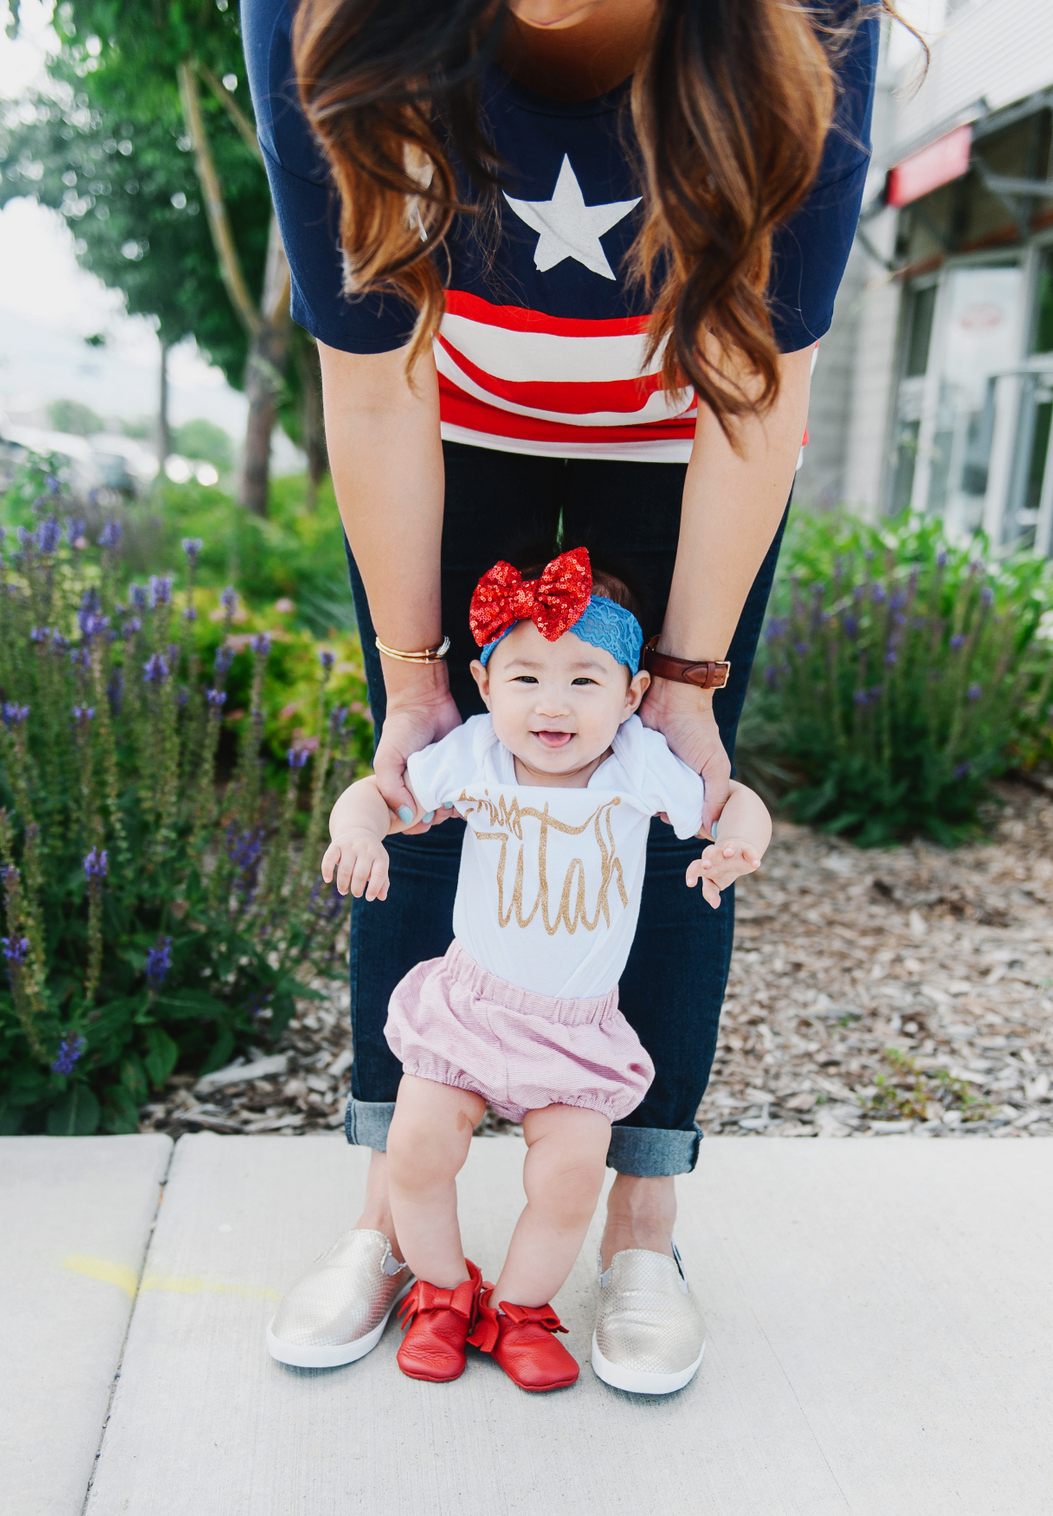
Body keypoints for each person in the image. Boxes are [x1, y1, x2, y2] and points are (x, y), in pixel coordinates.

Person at [245, 0, 885, 1390]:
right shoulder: (316, 16)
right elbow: (364, 389)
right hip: (441, 415)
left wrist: (692, 681)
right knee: (425, 785)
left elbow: (761, 395)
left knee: (665, 804)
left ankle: (639, 1221)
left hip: (685, 428)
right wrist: (417, 683)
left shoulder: (807, 19)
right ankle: (388, 1220)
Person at [315, 549, 771, 1393]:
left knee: (565, 1181)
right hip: (470, 1010)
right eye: (525, 678)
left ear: (633, 696)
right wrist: (357, 832)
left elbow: (730, 798)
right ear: (484, 685)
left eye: (584, 682)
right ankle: (443, 1294)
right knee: (418, 1149)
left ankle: (520, 1309)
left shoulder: (640, 764)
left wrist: (742, 842)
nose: (550, 705)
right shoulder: (476, 752)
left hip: (576, 1031)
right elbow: (375, 792)